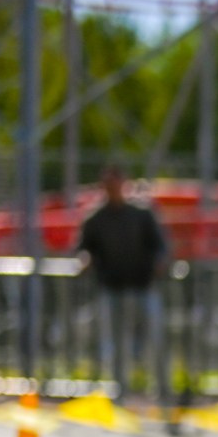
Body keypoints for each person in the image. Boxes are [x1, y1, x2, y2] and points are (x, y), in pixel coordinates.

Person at [76, 166, 171, 407]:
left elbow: (161, 245)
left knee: (155, 337)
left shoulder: (141, 213)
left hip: (143, 285)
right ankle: (120, 391)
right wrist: (85, 259)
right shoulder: (96, 218)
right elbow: (83, 247)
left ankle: (162, 389)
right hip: (112, 287)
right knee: (116, 341)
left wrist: (160, 261)